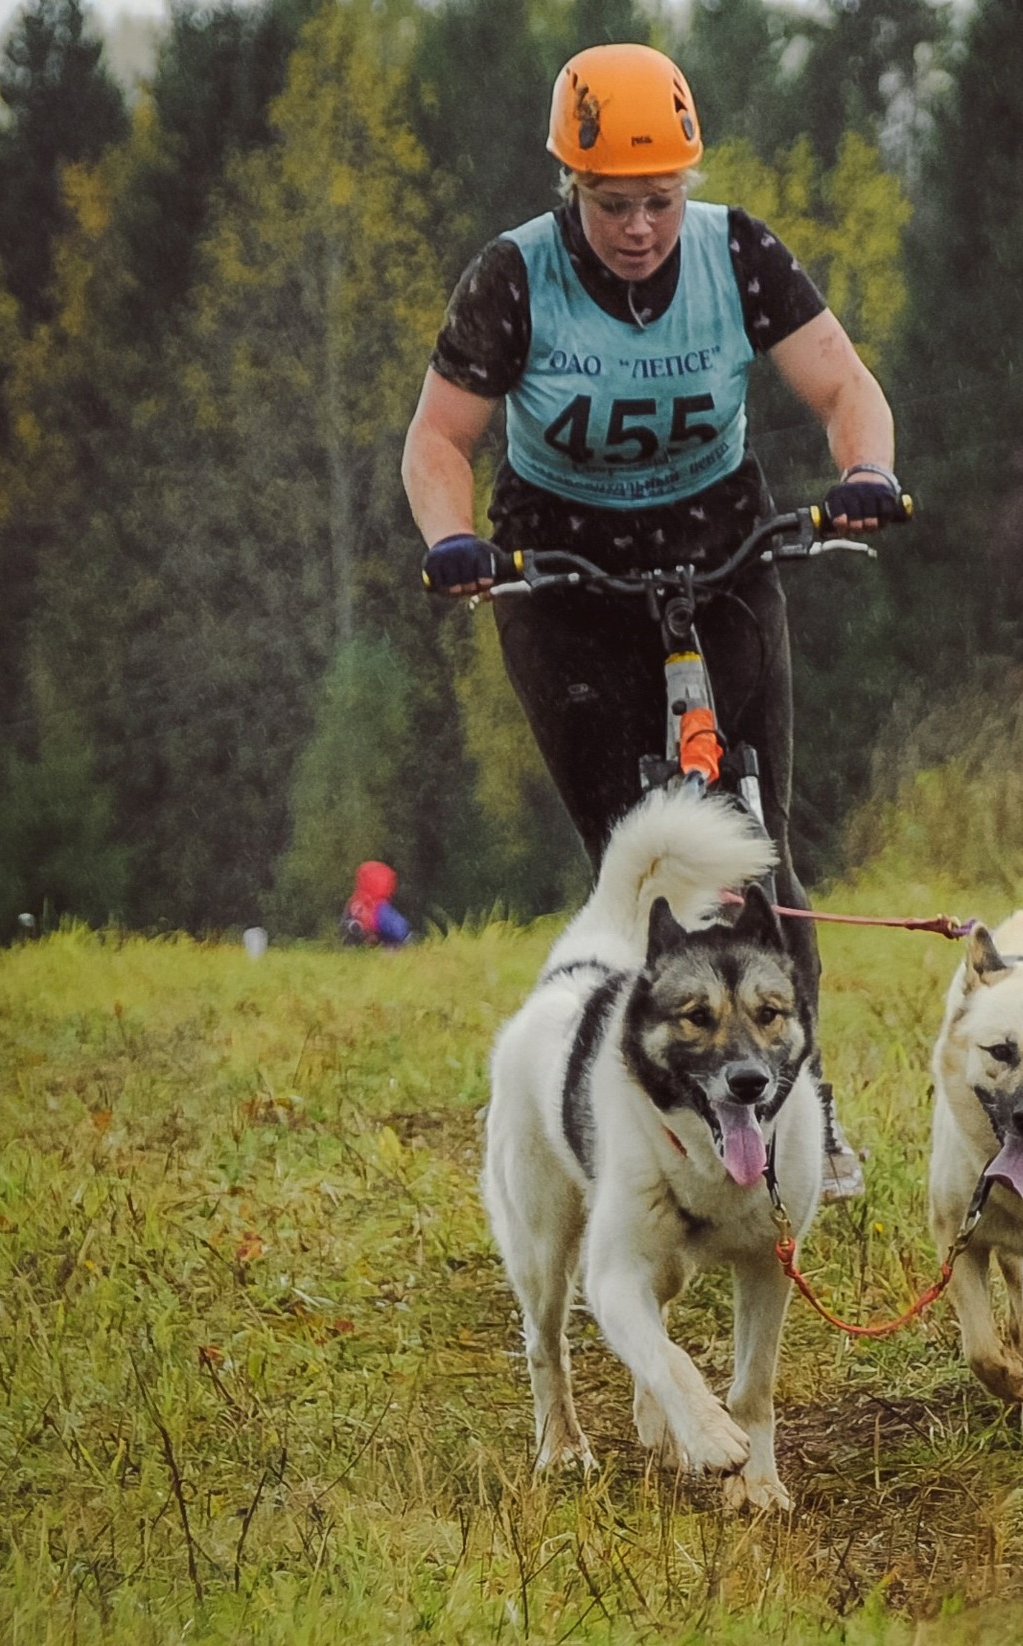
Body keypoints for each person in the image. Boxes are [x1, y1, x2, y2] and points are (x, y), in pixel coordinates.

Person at [400, 43, 909, 1199]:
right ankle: (640, 1136)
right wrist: (450, 540)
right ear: (569, 189)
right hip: (561, 571)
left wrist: (866, 470)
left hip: (718, 550)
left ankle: (802, 1106)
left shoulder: (738, 254)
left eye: (660, 201)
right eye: (613, 203)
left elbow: (842, 387)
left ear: (690, 187)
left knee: (760, 838)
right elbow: (438, 439)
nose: (639, 227)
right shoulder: (515, 278)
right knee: (636, 867)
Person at [341, 860, 412, 948]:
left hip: (369, 934)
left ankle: (360, 939)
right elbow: (401, 930)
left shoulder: (353, 901)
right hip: (382, 930)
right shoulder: (381, 910)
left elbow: (344, 924)